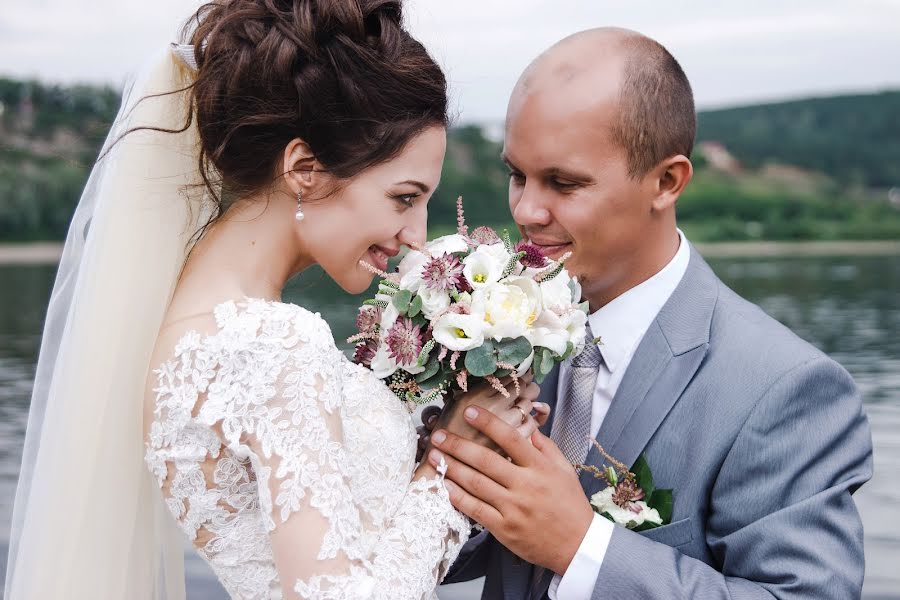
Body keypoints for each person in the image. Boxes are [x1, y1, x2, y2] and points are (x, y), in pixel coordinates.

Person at [3, 2, 545, 599]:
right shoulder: (270, 346)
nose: (417, 234)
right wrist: (450, 464)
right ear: (304, 169)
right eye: (402, 197)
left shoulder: (187, 326)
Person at [423, 27, 874, 599]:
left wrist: (580, 546)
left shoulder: (785, 389)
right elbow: (442, 551)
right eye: (517, 175)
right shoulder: (497, 337)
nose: (527, 210)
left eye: (563, 182)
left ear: (667, 182)